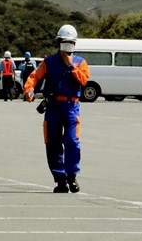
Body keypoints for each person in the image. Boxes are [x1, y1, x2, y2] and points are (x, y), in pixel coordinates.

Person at [22, 24, 90, 193]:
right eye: (64, 42)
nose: (67, 46)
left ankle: (72, 176)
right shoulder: (49, 62)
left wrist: (70, 65)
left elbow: (84, 81)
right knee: (52, 143)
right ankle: (60, 179)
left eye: (70, 43)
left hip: (71, 108)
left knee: (72, 142)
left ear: (75, 44)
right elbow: (34, 76)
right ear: (58, 43)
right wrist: (29, 90)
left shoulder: (80, 62)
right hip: (53, 107)